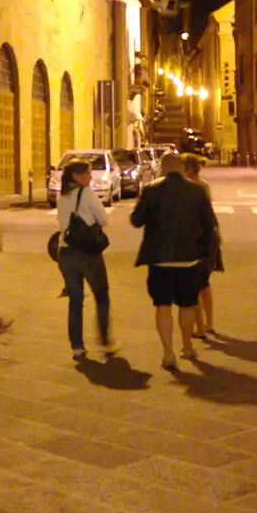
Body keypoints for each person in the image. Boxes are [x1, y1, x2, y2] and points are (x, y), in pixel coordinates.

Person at [131, 152, 217, 369]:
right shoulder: (197, 191)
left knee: (163, 306)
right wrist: (202, 252)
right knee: (187, 305)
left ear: (161, 168)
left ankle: (168, 352)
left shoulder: (151, 190)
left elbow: (136, 220)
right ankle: (187, 346)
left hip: (160, 260)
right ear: (180, 167)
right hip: (188, 259)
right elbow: (210, 226)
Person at [56, 159, 113, 358]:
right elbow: (104, 219)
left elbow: (62, 223)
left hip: (65, 251)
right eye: (87, 173)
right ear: (76, 176)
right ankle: (104, 340)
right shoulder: (86, 193)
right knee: (101, 295)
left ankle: (77, 346)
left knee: (75, 300)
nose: (90, 177)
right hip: (88, 253)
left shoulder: (61, 195)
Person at [181, 153, 223, 338]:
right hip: (210, 237)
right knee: (204, 284)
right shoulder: (203, 186)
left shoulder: (192, 188)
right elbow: (210, 214)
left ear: (189, 170)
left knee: (195, 284)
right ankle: (209, 323)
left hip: (197, 239)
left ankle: (199, 327)